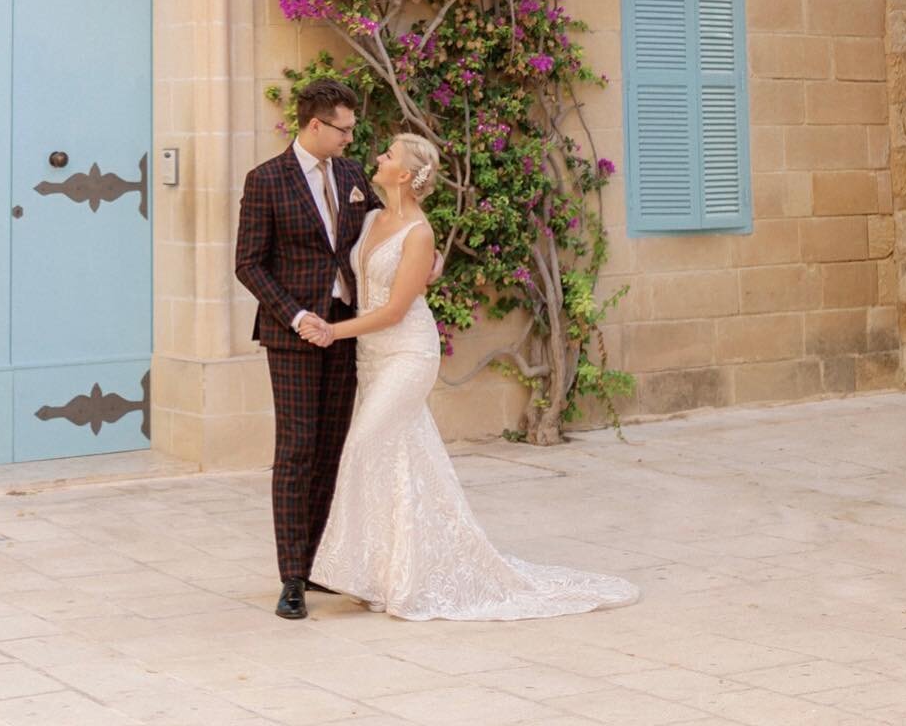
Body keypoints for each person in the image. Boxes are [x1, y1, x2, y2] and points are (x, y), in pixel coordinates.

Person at [303, 132, 639, 621]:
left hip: (407, 353)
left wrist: (334, 331)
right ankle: (393, 573)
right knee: (402, 458)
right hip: (370, 356)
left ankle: (362, 568)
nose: (377, 156)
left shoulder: (419, 234)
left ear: (405, 175)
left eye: (388, 154)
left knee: (362, 446)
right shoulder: (373, 217)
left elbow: (396, 310)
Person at [234, 78, 378, 620]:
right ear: (314, 125)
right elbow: (249, 263)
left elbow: (383, 227)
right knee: (296, 451)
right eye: (343, 129)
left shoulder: (353, 174)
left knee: (330, 449)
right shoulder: (266, 180)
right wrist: (297, 316)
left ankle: (319, 563)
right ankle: (291, 576)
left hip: (344, 328)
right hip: (293, 335)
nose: (350, 138)